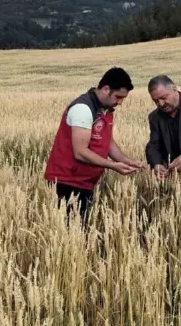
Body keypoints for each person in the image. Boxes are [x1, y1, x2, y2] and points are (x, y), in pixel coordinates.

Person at [43, 67, 143, 223]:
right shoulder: (83, 109)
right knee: (71, 232)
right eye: (118, 97)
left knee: (80, 229)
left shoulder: (106, 109)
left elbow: (106, 141)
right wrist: (113, 166)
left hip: (84, 182)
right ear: (105, 89)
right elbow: (80, 152)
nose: (120, 102)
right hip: (67, 182)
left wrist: (125, 160)